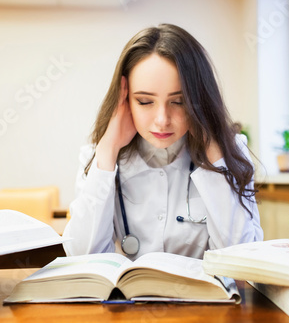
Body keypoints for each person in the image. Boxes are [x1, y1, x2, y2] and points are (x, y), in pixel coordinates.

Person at [63, 23, 263, 260]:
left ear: (199, 99)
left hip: (206, 298)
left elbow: (243, 260)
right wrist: (107, 149)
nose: (162, 120)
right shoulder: (99, 158)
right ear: (124, 101)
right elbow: (82, 257)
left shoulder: (230, 153)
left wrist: (213, 149)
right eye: (145, 102)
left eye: (178, 102)